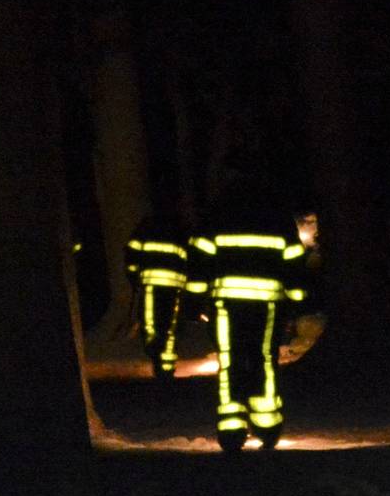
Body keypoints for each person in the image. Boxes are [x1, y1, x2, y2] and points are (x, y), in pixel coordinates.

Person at [187, 173, 308, 452]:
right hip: (267, 304)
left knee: (229, 360)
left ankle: (231, 427)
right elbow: (293, 259)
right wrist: (297, 296)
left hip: (225, 302)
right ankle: (267, 425)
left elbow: (200, 257)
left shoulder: (217, 213)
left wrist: (193, 300)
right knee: (264, 358)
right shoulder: (276, 215)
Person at [124, 212, 192, 379]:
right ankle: (166, 366)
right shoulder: (181, 229)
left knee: (150, 323)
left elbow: (131, 251)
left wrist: (133, 276)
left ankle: (156, 355)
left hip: (150, 284)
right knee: (170, 327)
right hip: (174, 286)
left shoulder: (145, 227)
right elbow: (190, 258)